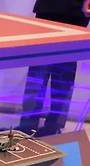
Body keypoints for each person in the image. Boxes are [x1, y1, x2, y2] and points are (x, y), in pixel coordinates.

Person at [18, 0, 90, 136]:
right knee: (38, 69)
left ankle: (53, 125)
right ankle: (28, 124)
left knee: (63, 71)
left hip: (75, 10)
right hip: (49, 7)